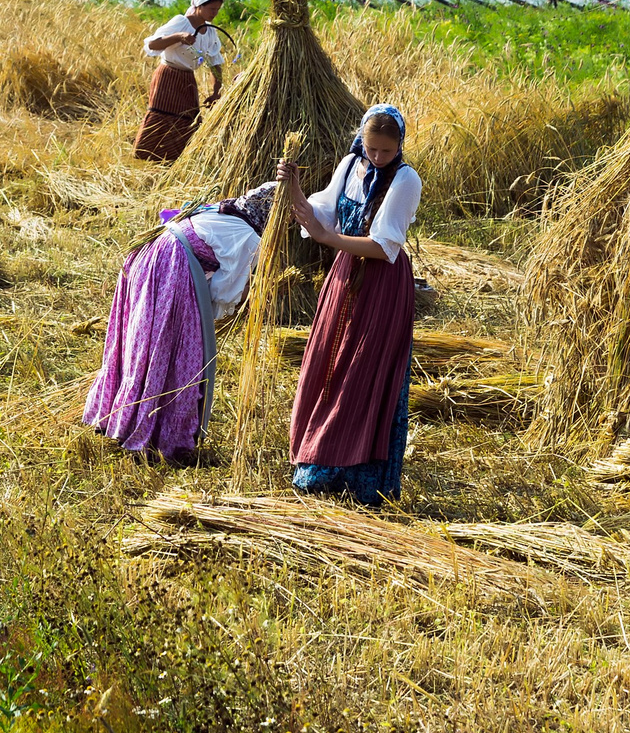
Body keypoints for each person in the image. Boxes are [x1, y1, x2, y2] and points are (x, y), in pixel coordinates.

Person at [281, 105, 422, 505]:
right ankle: (319, 461)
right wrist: (290, 185)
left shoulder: (405, 179)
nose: (377, 158)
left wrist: (331, 241)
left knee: (363, 372)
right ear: (361, 139)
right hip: (344, 277)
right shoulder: (349, 166)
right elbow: (318, 217)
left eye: (386, 152)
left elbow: (383, 246)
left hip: (381, 284)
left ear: (399, 147)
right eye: (372, 149)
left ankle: (359, 474)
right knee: (328, 363)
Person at [81, 181, 279, 462]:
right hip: (171, 269)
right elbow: (223, 293)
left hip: (148, 257)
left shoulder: (221, 212)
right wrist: (241, 297)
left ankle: (117, 417)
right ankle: (153, 433)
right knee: (170, 349)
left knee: (139, 344)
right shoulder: (249, 237)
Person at [132, 0, 227, 162]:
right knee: (162, 117)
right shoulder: (181, 22)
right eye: (211, 9)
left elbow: (215, 62)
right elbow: (152, 45)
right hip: (167, 76)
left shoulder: (210, 31)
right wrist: (178, 37)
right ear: (199, 5)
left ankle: (174, 160)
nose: (215, 13)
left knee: (188, 120)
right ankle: (148, 157)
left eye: (217, 10)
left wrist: (216, 91)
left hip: (187, 80)